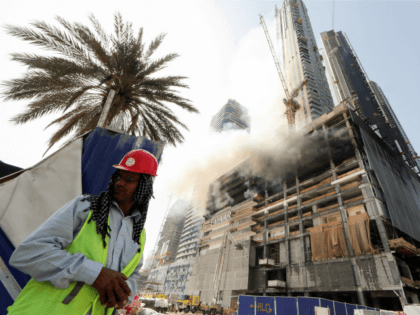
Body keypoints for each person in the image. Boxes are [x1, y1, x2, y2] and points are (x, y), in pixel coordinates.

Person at [7, 149, 158, 315]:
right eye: (118, 176)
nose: (119, 183)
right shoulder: (85, 208)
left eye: (129, 179)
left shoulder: (139, 235)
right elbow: (27, 254)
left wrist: (123, 294)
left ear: (145, 186)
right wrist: (94, 273)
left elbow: (133, 277)